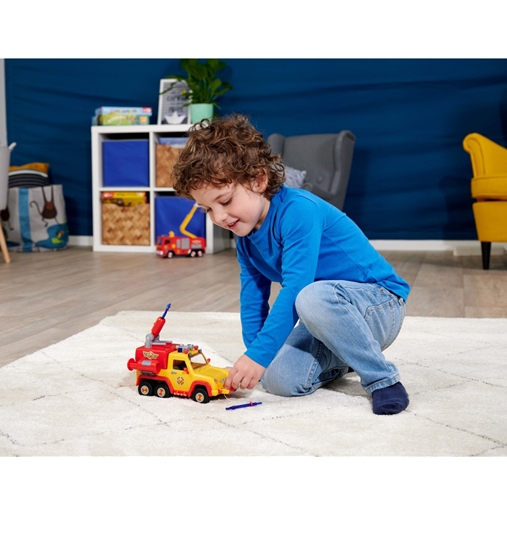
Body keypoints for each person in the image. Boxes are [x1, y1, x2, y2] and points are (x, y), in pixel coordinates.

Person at [171, 114, 410, 415]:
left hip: (379, 305)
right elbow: (252, 299)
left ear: (259, 180)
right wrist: (256, 356)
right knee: (278, 378)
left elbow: (297, 287)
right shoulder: (245, 239)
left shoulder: (298, 211)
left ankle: (382, 379)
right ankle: (348, 355)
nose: (219, 217)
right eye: (207, 209)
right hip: (323, 318)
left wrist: (258, 356)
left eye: (226, 201)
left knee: (308, 296)